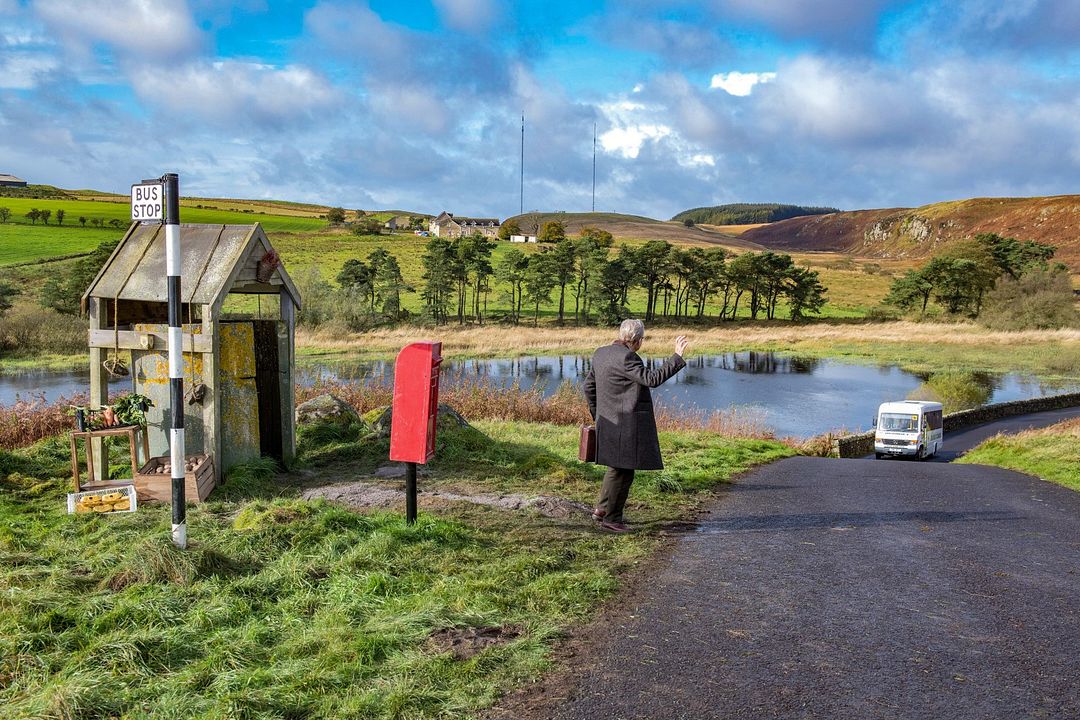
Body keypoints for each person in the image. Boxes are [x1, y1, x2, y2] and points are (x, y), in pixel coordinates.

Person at [583, 319, 690, 533]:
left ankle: (601, 510)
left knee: (615, 467)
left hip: (608, 422)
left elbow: (588, 387)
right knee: (624, 471)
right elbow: (652, 379)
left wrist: (599, 416)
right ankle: (612, 519)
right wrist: (677, 356)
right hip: (625, 425)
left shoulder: (600, 353)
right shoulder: (628, 357)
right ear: (638, 340)